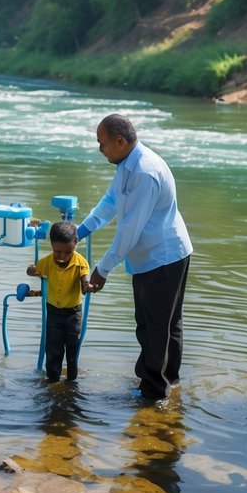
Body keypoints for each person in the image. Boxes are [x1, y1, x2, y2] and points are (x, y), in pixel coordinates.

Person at [79, 113, 193, 403]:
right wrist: (80, 231)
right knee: (157, 322)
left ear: (120, 141)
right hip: (152, 256)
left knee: (157, 325)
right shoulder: (126, 166)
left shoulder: (144, 171)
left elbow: (129, 231)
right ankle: (165, 382)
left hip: (163, 257)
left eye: (102, 143)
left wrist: (102, 269)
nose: (100, 149)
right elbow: (110, 202)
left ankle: (155, 392)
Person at [27, 221, 91, 383]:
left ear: (76, 245)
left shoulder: (80, 262)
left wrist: (87, 286)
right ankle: (52, 380)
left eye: (68, 252)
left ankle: (71, 380)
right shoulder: (47, 262)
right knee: (53, 348)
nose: (62, 256)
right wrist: (31, 271)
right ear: (51, 246)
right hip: (54, 312)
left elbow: (85, 280)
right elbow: (35, 271)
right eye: (58, 251)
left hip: (73, 313)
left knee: (72, 350)